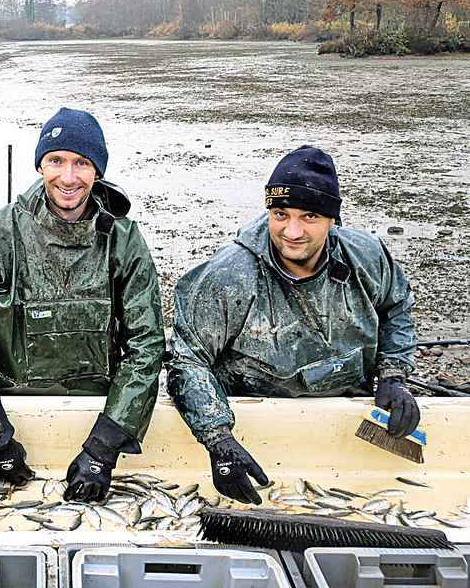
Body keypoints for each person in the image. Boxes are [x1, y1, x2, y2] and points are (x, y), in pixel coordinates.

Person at [167, 145, 418, 505]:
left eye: (310, 216)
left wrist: (393, 376)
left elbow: (396, 308)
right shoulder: (230, 275)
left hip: (345, 401)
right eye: (280, 214)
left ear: (333, 219)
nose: (292, 231)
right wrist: (218, 439)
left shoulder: (366, 256)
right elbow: (187, 359)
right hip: (253, 411)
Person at [0, 108, 165, 503]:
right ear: (41, 166)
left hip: (98, 407)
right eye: (56, 161)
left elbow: (146, 346)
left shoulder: (125, 241)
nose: (68, 177)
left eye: (82, 163)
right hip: (11, 406)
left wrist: (104, 447)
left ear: (97, 170)